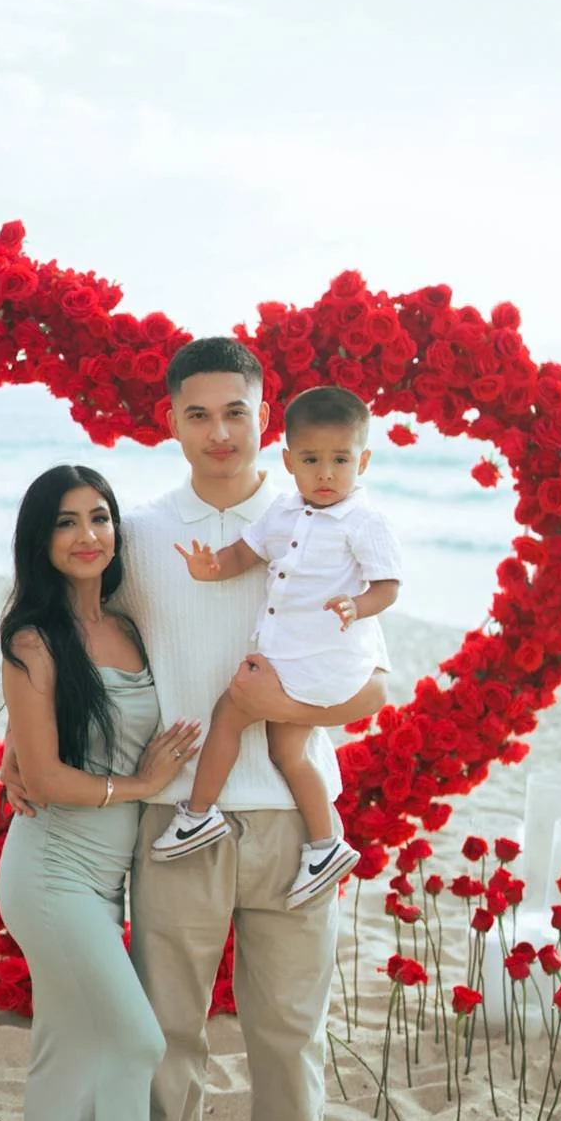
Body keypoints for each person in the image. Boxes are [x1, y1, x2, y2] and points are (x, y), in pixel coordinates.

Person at [116, 340, 387, 1121]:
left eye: (236, 411)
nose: (219, 432)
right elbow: (71, 644)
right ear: (172, 421)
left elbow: (374, 689)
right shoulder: (140, 530)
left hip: (291, 827)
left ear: (264, 416)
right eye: (198, 414)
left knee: (287, 1034)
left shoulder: (323, 517)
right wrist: (19, 743)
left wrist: (284, 713)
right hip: (177, 821)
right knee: (167, 1032)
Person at [0, 464, 200, 1121]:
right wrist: (140, 788)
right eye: (67, 522)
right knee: (133, 1041)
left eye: (101, 518)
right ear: (41, 540)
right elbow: (41, 778)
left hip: (107, 877)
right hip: (48, 872)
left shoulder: (134, 625)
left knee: (64, 1050)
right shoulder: (33, 639)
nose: (89, 535)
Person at [151, 385, 403, 908]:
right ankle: (325, 844)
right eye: (312, 460)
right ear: (289, 460)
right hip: (286, 658)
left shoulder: (364, 521)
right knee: (286, 751)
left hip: (317, 662)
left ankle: (198, 814)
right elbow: (246, 552)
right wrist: (211, 566)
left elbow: (388, 585)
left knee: (231, 713)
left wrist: (358, 605)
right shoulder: (285, 513)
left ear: (365, 461)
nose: (327, 474)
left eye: (341, 460)